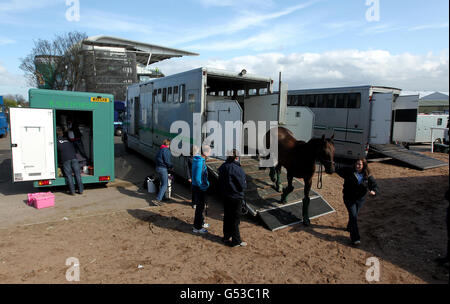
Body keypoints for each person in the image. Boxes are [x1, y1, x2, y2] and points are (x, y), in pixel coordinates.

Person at [335, 158, 378, 246]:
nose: (357, 166)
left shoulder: (367, 175)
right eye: (356, 164)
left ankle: (349, 227)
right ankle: (355, 238)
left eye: (360, 165)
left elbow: (374, 185)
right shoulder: (348, 171)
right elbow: (336, 167)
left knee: (354, 215)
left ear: (364, 166)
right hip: (349, 198)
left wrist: (374, 191)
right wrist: (328, 162)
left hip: (360, 200)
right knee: (354, 216)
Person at [218, 149, 247, 247]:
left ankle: (226, 237)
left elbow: (220, 181)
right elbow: (242, 185)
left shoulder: (222, 167)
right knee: (235, 219)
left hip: (226, 195)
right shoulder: (237, 169)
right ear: (237, 157)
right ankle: (236, 241)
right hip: (236, 197)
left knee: (227, 216)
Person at [56, 127, 83, 195]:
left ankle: (72, 192)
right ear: (62, 134)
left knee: (69, 175)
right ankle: (80, 190)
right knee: (77, 174)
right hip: (74, 158)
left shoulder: (56, 141)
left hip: (65, 159)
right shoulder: (68, 139)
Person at [191, 145, 211, 234]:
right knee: (199, 208)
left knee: (201, 207)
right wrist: (203, 187)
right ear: (205, 152)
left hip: (198, 187)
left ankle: (201, 223)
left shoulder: (199, 160)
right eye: (209, 151)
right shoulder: (200, 162)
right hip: (199, 188)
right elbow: (198, 178)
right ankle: (197, 227)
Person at [154, 139, 173, 205]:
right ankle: (158, 200)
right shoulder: (166, 150)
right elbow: (167, 161)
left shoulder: (160, 149)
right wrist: (171, 166)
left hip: (158, 168)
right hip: (163, 169)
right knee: (165, 184)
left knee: (162, 183)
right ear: (168, 144)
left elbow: (156, 158)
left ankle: (164, 197)